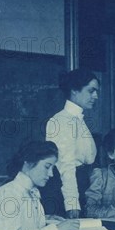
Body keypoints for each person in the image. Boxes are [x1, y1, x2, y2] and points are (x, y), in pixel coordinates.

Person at [43, 68, 100, 218]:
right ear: (74, 90)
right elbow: (65, 165)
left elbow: (88, 158)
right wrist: (72, 204)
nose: (96, 96)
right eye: (91, 91)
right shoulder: (61, 121)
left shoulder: (79, 119)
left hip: (82, 184)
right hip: (64, 191)